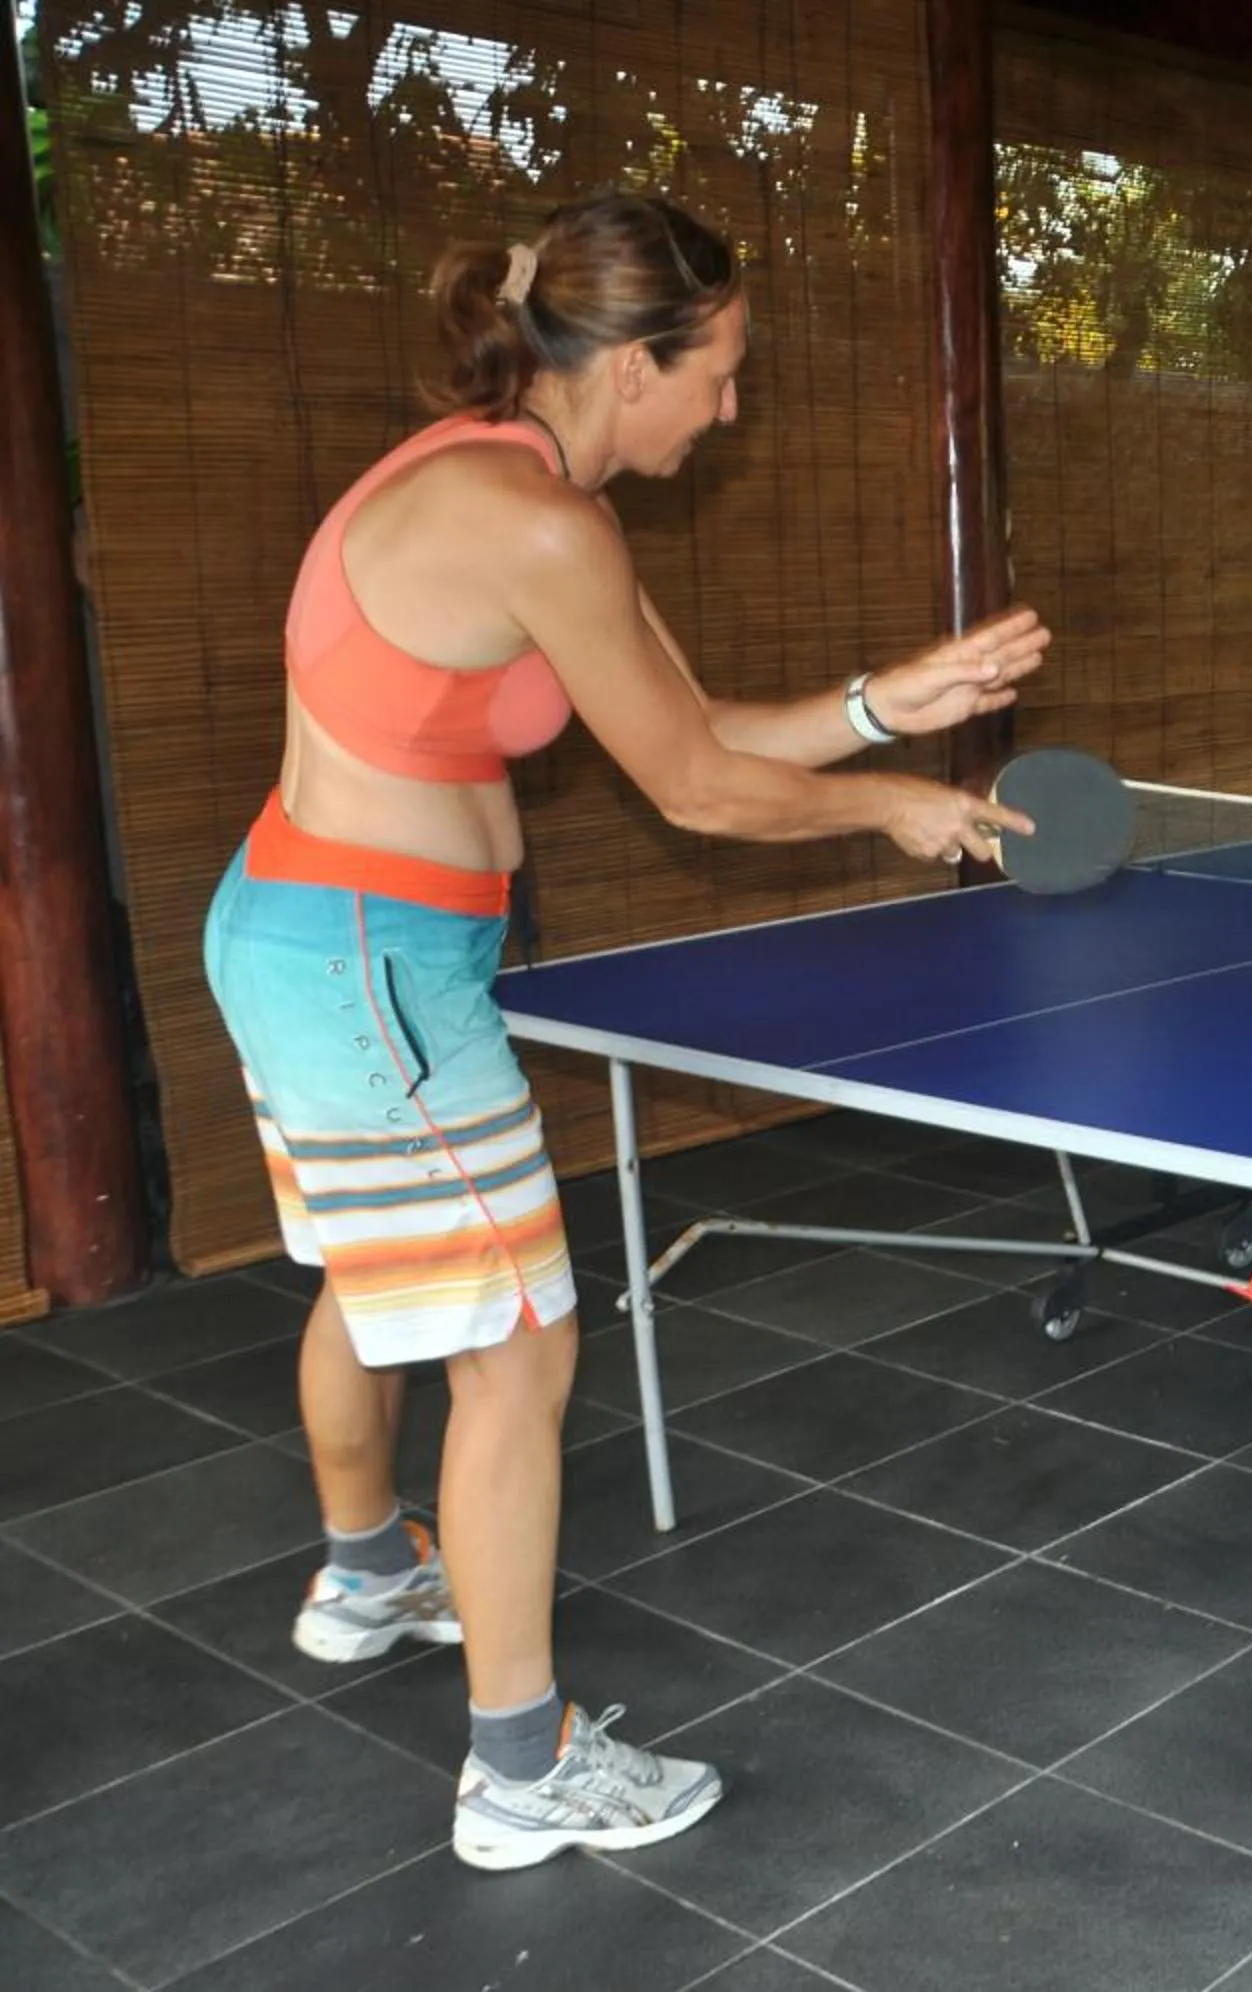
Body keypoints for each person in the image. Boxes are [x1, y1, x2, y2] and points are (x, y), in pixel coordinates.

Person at [199, 191, 1052, 1872]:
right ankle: (522, 1769)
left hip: (312, 933)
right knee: (518, 1344)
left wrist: (904, 701)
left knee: (373, 1283)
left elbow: (704, 719)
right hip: (373, 962)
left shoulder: (512, 482)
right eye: (719, 373)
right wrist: (895, 809)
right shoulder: (537, 526)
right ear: (634, 364)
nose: (732, 406)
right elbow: (699, 788)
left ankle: (371, 1574)